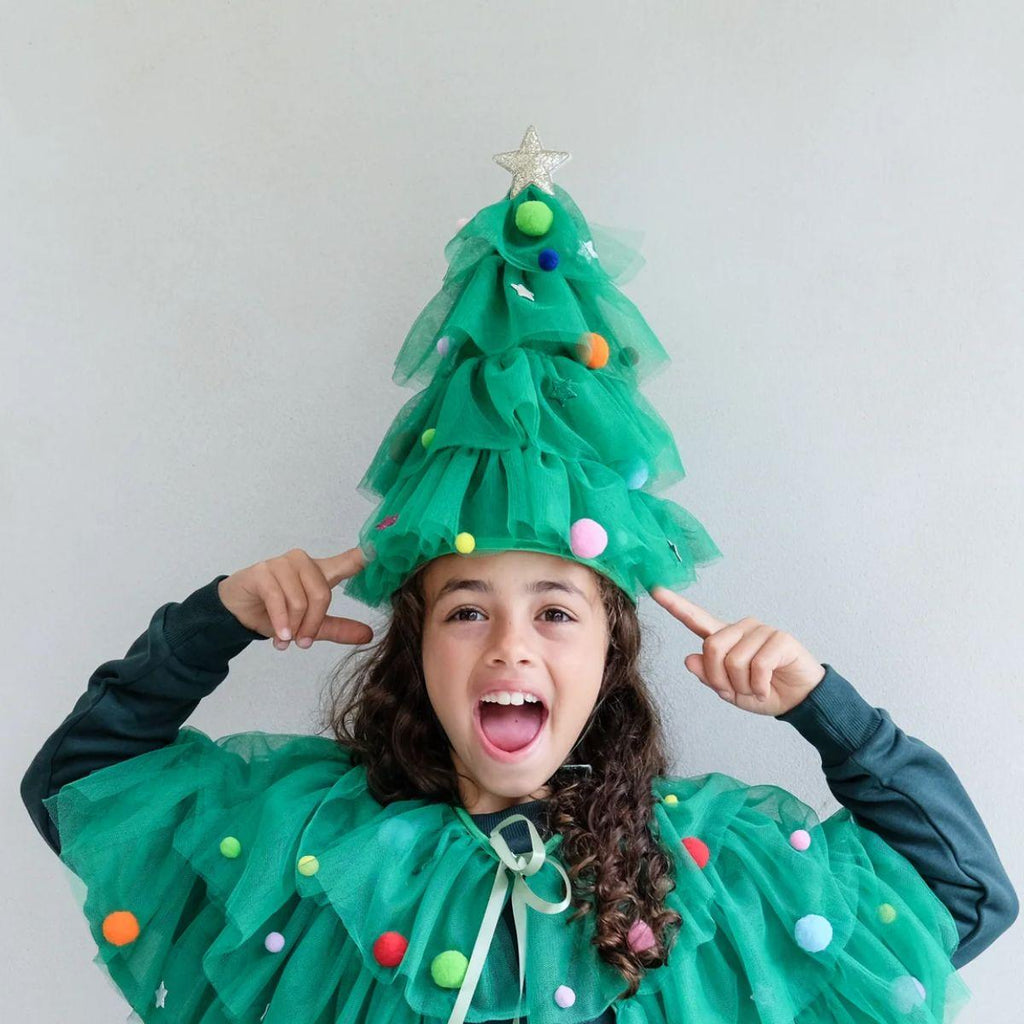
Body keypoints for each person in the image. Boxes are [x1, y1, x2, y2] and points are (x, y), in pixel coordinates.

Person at [22, 127, 1018, 1023]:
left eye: (555, 610)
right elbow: (78, 782)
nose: (510, 644)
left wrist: (819, 705)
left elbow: (965, 893)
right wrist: (217, 619)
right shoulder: (316, 853)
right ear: (415, 648)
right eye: (466, 609)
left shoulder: (709, 881)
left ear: (607, 653)